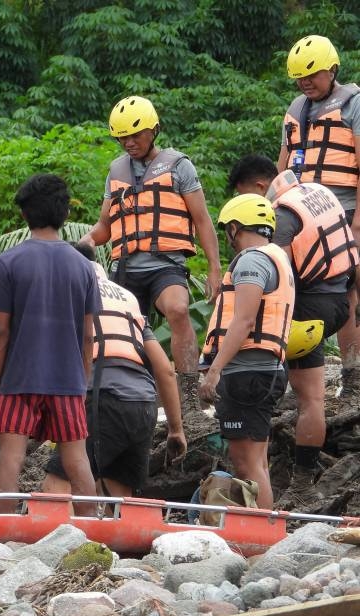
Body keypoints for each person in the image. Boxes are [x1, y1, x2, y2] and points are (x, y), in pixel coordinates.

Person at [81, 96, 222, 427]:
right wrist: (84, 242)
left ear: (154, 130)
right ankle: (109, 393)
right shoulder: (116, 171)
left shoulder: (178, 166)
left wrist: (215, 268)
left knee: (177, 309)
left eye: (136, 135)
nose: (129, 143)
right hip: (126, 268)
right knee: (113, 329)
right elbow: (106, 225)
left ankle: (188, 396)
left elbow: (202, 220)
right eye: (122, 138)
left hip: (166, 263)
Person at [229, 156, 359, 509]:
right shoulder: (317, 191)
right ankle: (302, 479)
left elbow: (277, 275)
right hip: (335, 306)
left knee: (260, 378)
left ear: (259, 188)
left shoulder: (281, 216)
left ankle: (271, 476)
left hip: (304, 312)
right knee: (313, 398)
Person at [0, 174, 101, 516]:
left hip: (19, 380)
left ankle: (2, 531)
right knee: (77, 459)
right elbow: (88, 335)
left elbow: (0, 333)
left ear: (24, 215)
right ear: (64, 214)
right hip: (67, 382)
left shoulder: (9, 262)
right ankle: (90, 530)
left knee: (10, 458)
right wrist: (82, 383)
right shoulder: (83, 266)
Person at [42, 244, 186, 498]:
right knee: (118, 500)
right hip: (143, 406)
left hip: (102, 400)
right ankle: (119, 538)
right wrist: (176, 429)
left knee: (58, 485)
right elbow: (165, 369)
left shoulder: (68, 289)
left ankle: (51, 536)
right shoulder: (127, 299)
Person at [199, 194, 295, 510]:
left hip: (247, 373)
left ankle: (260, 535)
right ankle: (264, 531)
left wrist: (214, 372)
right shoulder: (277, 257)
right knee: (257, 461)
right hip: (265, 370)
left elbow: (242, 321)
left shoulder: (252, 260)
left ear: (236, 227)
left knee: (246, 464)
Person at [279, 35, 360, 402]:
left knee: (349, 289)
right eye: (299, 78)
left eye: (312, 75)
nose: (305, 83)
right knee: (290, 288)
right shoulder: (297, 108)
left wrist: (357, 224)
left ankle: (352, 374)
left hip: (345, 212)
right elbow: (283, 164)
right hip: (303, 216)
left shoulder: (354, 105)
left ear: (333, 69)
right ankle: (291, 373)